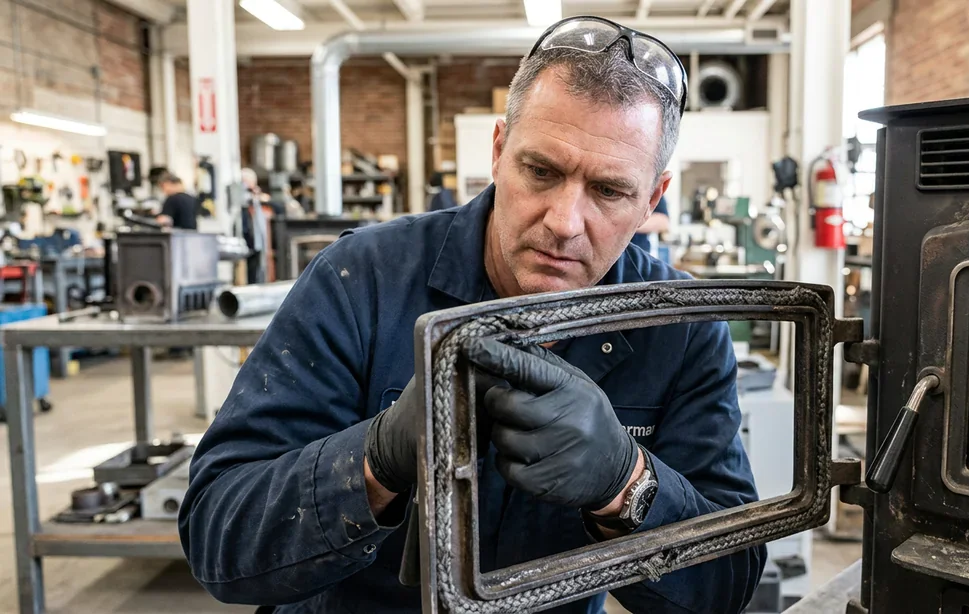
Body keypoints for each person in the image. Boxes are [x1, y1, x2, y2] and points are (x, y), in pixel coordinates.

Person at [180, 15, 764, 614]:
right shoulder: (362, 279)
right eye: (541, 172)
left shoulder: (680, 326)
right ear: (498, 150)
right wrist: (375, 461)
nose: (564, 222)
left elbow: (725, 589)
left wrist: (627, 484)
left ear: (652, 199)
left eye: (609, 191)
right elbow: (218, 538)